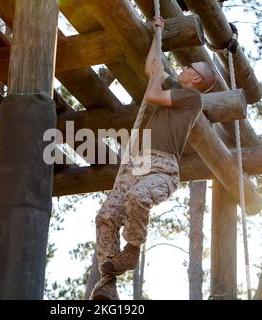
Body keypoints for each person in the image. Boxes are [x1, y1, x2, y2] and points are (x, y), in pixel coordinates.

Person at [90, 17, 217, 300]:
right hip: (138, 163)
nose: (182, 68)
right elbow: (153, 67)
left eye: (188, 67)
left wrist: (158, 77)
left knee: (138, 196)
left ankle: (132, 249)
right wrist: (157, 34)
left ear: (196, 78)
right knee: (106, 216)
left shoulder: (192, 99)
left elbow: (152, 94)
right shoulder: (173, 86)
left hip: (163, 167)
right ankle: (108, 281)